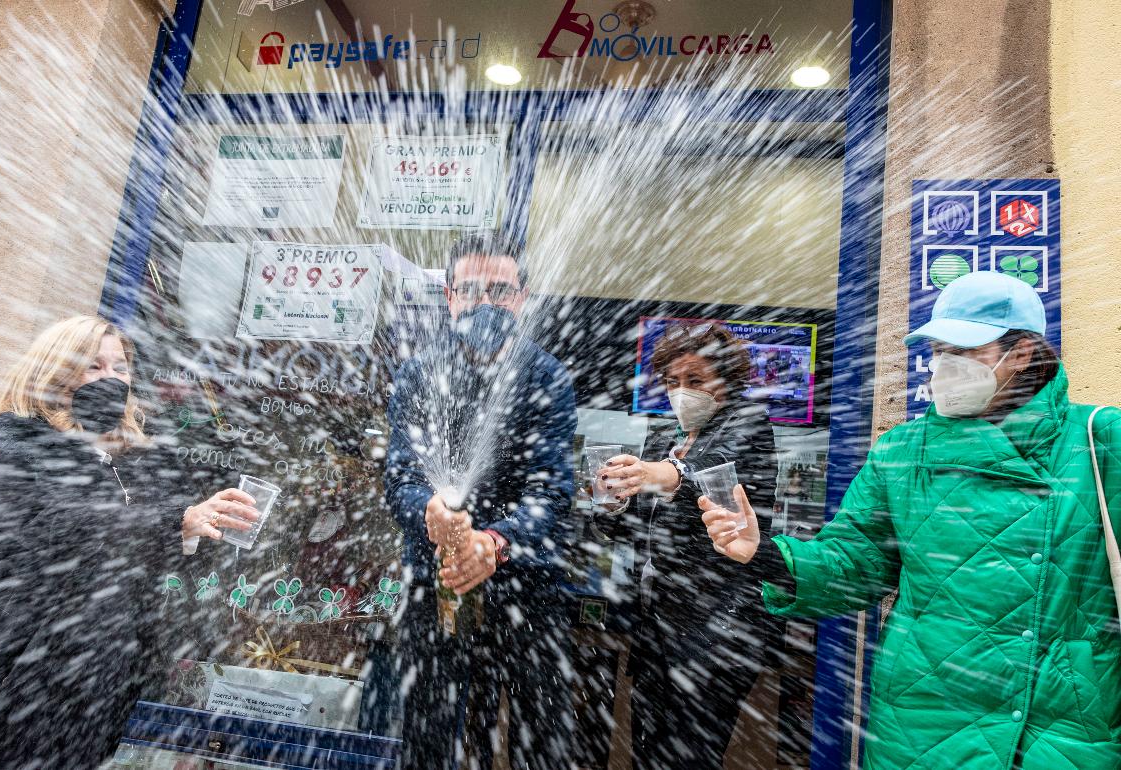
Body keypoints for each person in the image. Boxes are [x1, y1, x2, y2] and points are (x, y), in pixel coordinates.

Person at [700, 272, 1121, 770]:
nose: (945, 366)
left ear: (1023, 354)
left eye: (965, 352)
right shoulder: (902, 452)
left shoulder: (1099, 441)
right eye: (940, 350)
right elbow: (856, 562)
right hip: (923, 723)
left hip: (1059, 730)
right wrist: (764, 552)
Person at [0, 316, 260, 770]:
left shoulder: (129, 454)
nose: (112, 379)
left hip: (71, 677)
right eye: (93, 366)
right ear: (54, 372)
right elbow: (56, 525)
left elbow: (129, 544)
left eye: (121, 368)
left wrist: (194, 528)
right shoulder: (21, 438)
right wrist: (176, 520)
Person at [384, 233, 577, 770]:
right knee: (428, 737)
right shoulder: (419, 374)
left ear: (521, 297)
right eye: (470, 289)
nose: (485, 302)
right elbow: (398, 478)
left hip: (528, 592)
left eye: (499, 290)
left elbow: (553, 489)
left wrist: (495, 542)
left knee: (540, 742)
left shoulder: (548, 378)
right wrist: (427, 509)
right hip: (437, 587)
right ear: (449, 296)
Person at [592, 322, 780, 770]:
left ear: (727, 380)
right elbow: (635, 530)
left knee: (690, 757)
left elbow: (710, 469)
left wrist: (661, 475)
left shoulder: (748, 422)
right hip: (655, 625)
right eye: (672, 382)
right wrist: (612, 505)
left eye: (695, 380)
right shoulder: (662, 436)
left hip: (715, 631)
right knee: (646, 751)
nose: (681, 392)